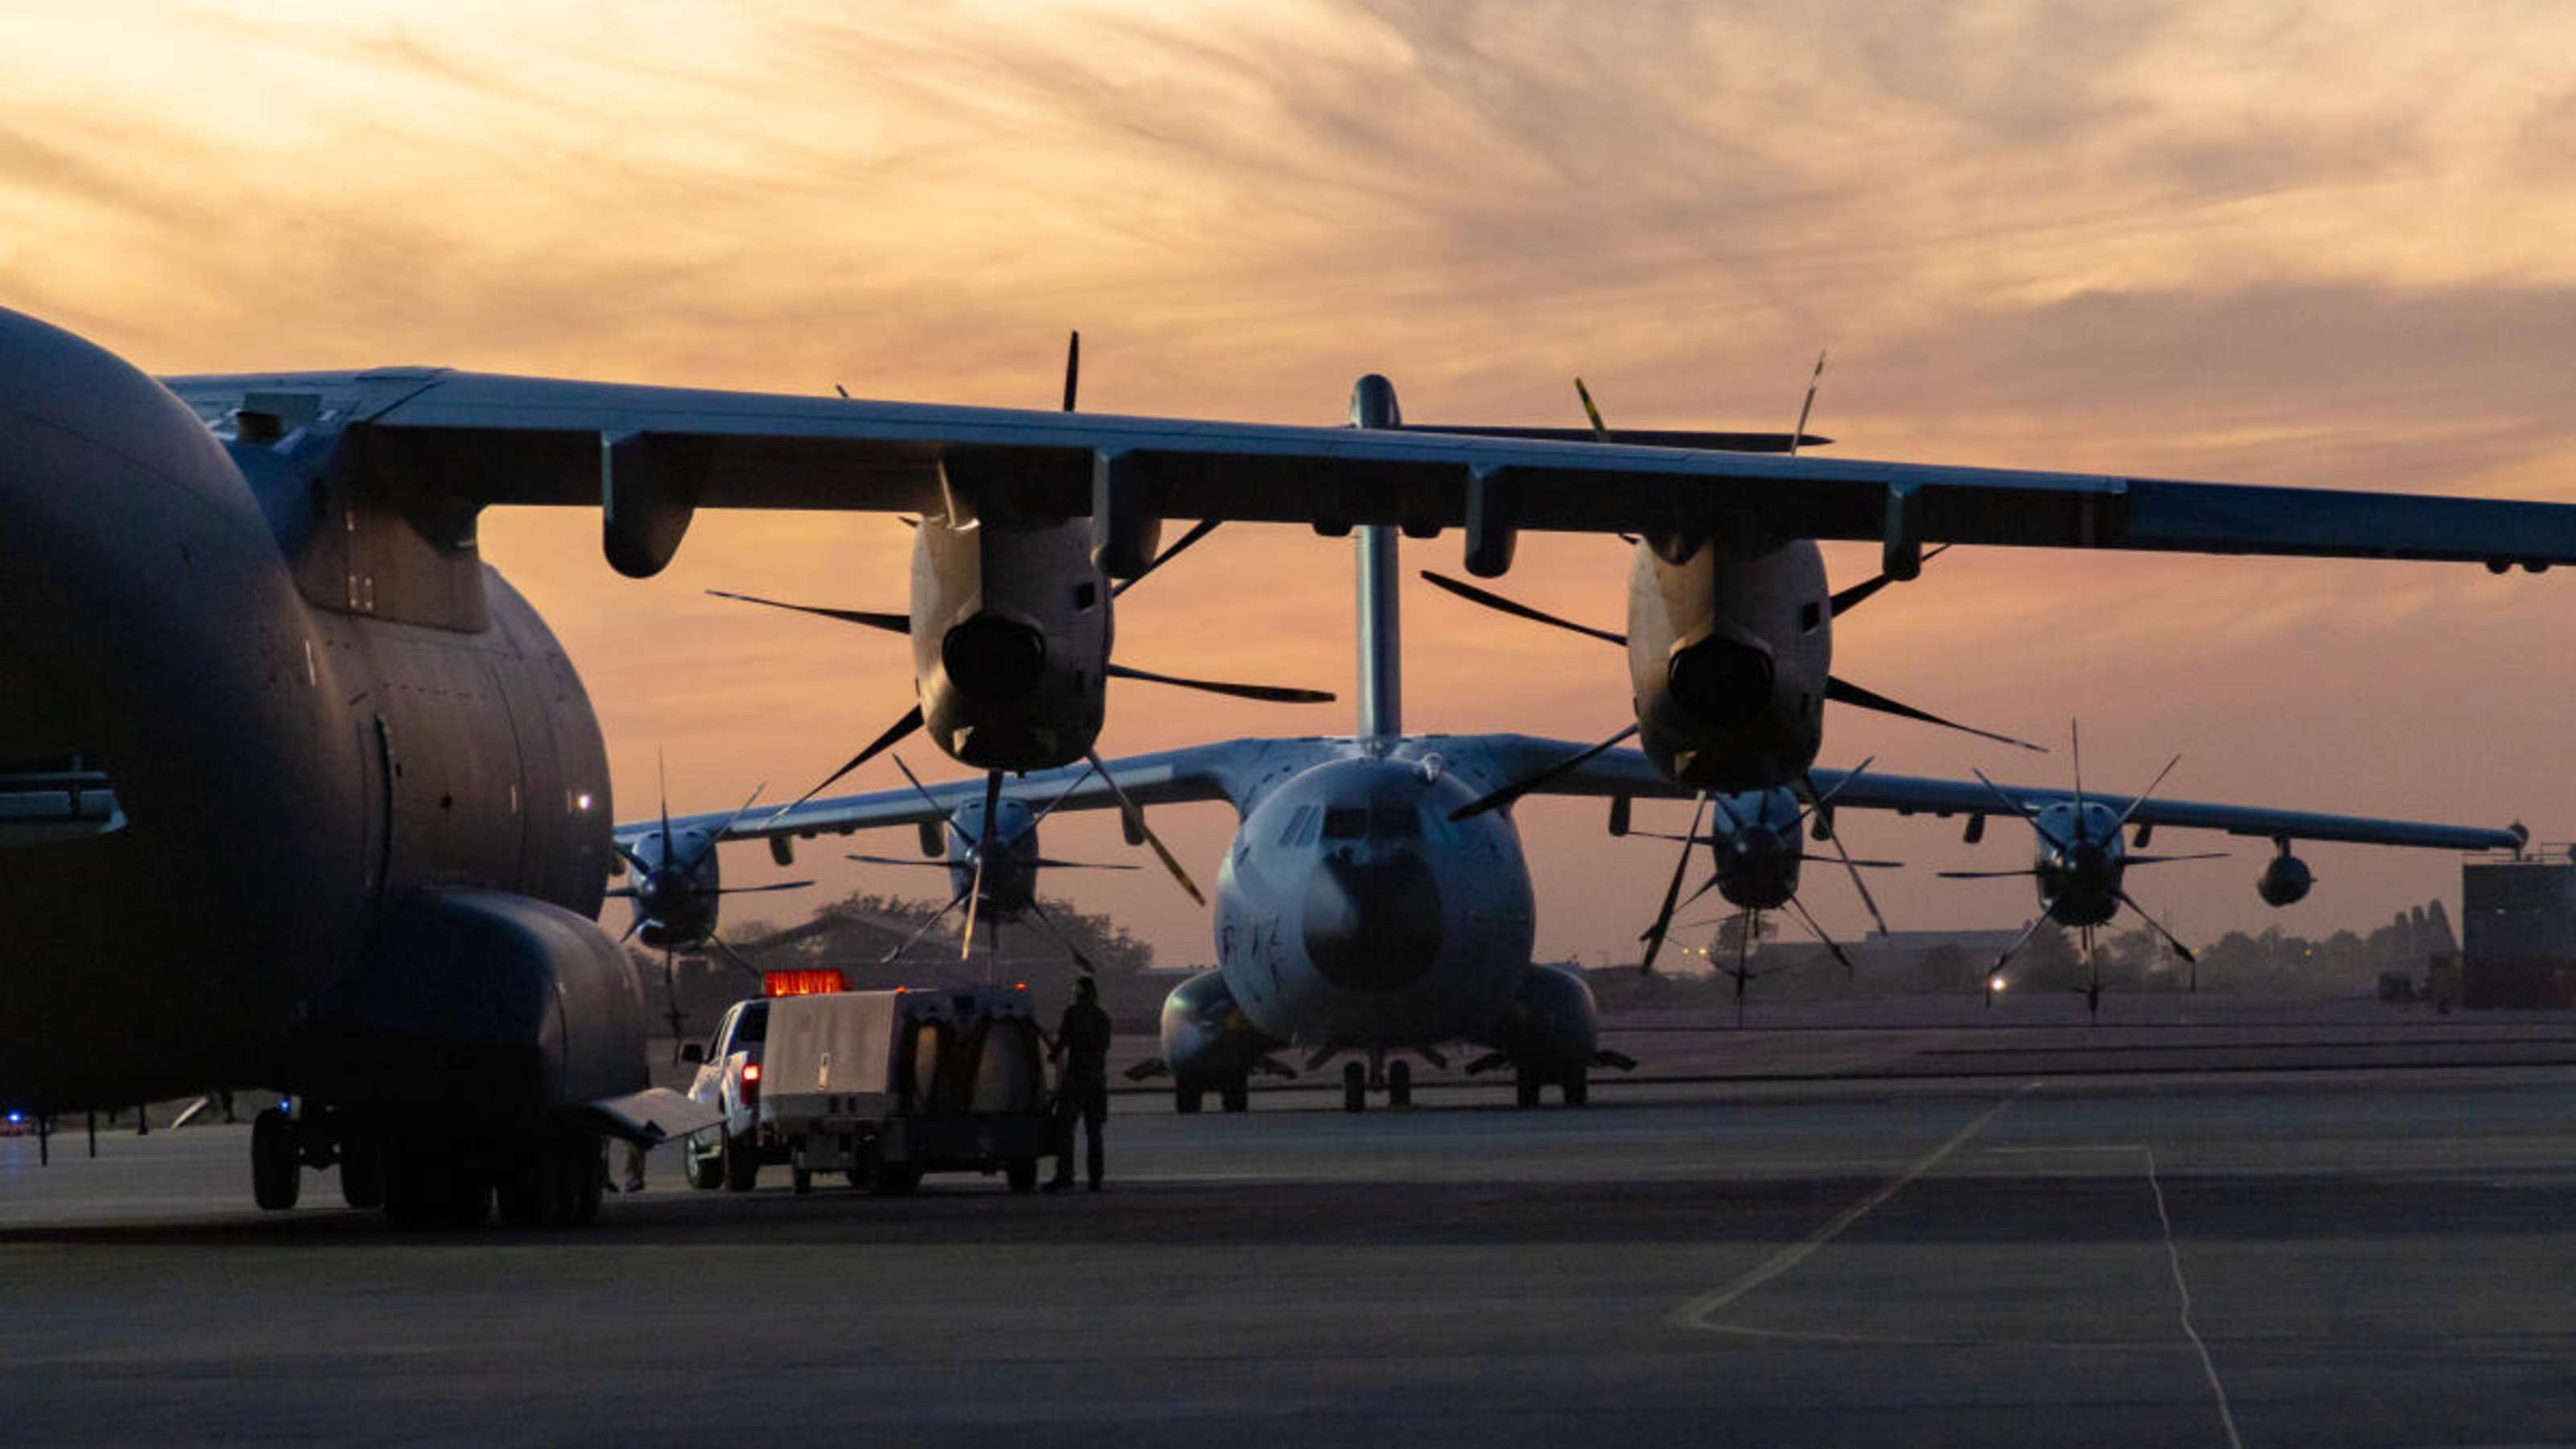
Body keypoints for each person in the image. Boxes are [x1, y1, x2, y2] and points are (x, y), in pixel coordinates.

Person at [1044, 976, 1113, 1193]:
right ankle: (1095, 1179)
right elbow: (1103, 1046)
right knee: (1094, 1132)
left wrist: (1052, 1055)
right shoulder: (1103, 1017)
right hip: (1097, 1079)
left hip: (1077, 1078)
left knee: (1065, 1128)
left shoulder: (1073, 1013)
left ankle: (1065, 1175)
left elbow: (1064, 1040)